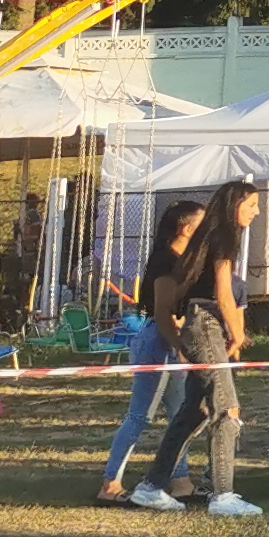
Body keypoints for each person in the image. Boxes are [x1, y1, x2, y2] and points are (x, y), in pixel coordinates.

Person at [132, 180, 259, 517]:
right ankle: (223, 495)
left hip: (197, 322)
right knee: (226, 409)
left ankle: (151, 487)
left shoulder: (209, 236)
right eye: (251, 205)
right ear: (234, 205)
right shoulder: (223, 237)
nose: (257, 212)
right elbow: (224, 293)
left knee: (195, 411)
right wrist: (237, 334)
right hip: (206, 323)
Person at [94, 193, 204, 506]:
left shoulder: (186, 260)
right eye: (202, 224)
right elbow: (163, 313)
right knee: (140, 416)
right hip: (159, 342)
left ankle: (180, 480)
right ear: (185, 229)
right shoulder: (166, 261)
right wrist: (179, 347)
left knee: (180, 415)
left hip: (173, 341)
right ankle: (110, 484)